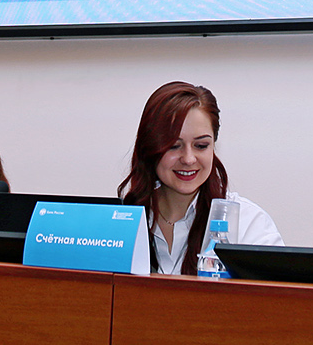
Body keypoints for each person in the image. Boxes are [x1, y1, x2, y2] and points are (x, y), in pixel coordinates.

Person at [119, 81, 284, 274]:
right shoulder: (120, 223)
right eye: (174, 146)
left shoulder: (248, 223)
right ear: (150, 148)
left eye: (201, 146)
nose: (188, 159)